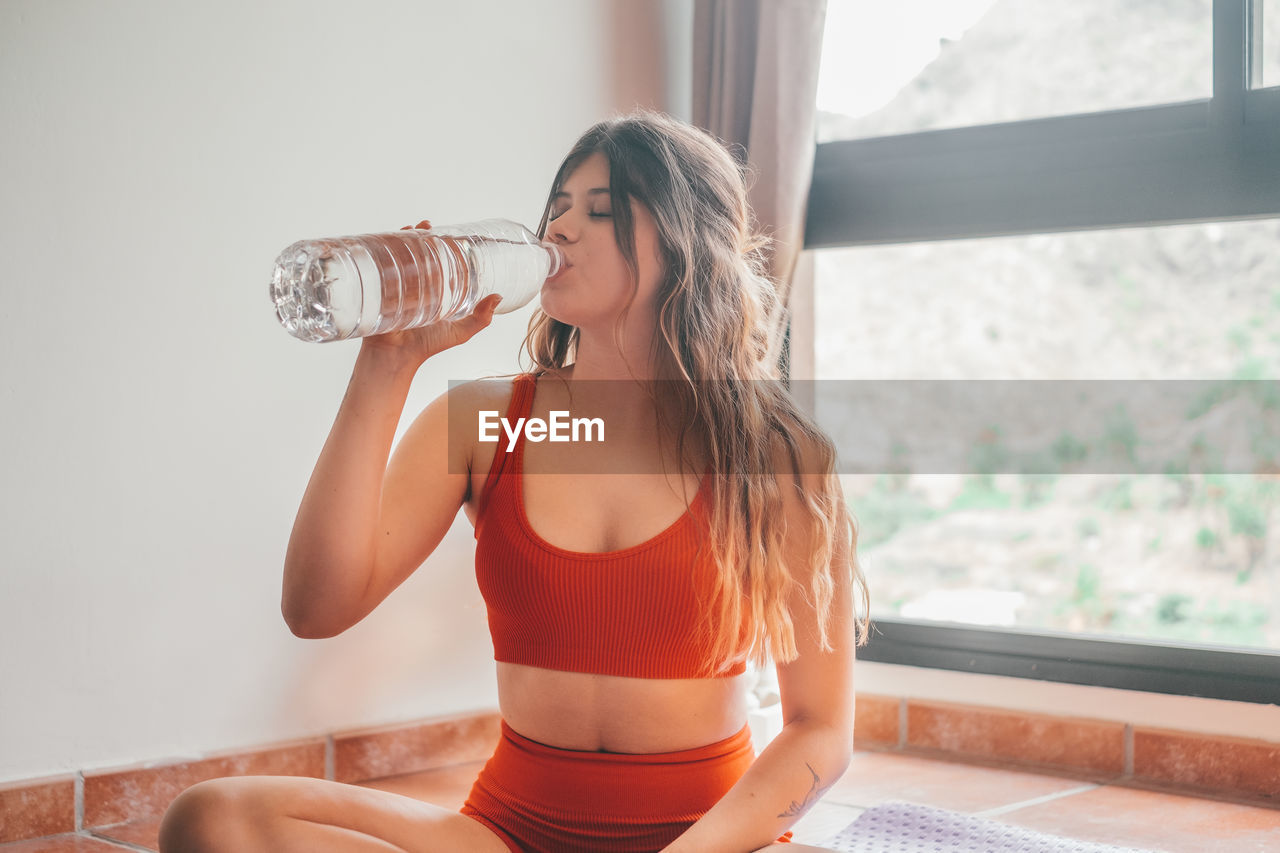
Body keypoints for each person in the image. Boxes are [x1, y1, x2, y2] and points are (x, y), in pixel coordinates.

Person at [158, 110, 869, 853]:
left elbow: (821, 730)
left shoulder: (775, 454)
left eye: (602, 212)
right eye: (557, 208)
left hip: (701, 838)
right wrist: (386, 366)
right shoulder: (488, 421)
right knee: (213, 819)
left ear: (688, 246)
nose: (559, 231)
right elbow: (316, 606)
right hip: (506, 834)